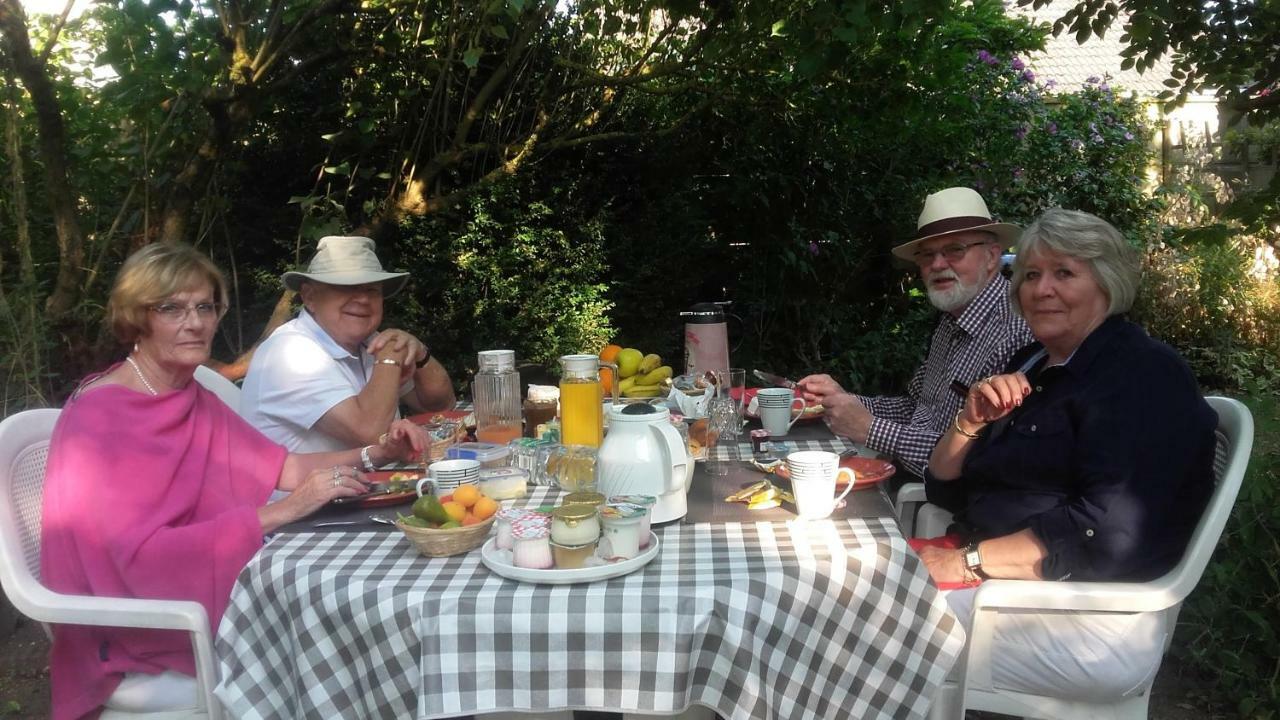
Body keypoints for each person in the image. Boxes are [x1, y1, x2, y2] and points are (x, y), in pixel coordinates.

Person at [40, 243, 428, 719]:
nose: (196, 322)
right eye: (172, 308)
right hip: (145, 627)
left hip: (209, 586)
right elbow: (137, 560)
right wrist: (283, 511)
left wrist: (377, 453)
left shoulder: (186, 391)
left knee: (360, 625)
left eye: (205, 306)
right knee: (349, 631)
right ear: (136, 318)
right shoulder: (103, 417)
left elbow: (281, 467)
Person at [917, 208, 1218, 699]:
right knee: (839, 587)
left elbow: (1107, 533)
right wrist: (969, 422)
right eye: (1032, 275)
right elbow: (943, 488)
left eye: (1065, 273)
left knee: (849, 620)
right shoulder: (1035, 364)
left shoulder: (1141, 375)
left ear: (1107, 283)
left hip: (1087, 620)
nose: (1041, 290)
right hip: (1007, 586)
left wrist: (966, 563)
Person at [797, 187, 1033, 479]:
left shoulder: (1016, 331)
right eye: (927, 254)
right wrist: (845, 400)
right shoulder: (951, 320)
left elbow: (978, 457)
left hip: (948, 506)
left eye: (955, 250)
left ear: (992, 256)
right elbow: (918, 408)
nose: (937, 264)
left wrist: (872, 429)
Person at [241, 235, 455, 453]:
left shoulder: (371, 342)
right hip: (301, 487)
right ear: (310, 297)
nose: (362, 299)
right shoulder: (290, 352)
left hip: (373, 483)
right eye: (345, 287)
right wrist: (390, 356)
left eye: (371, 290)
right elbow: (370, 434)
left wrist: (419, 353)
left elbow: (440, 408)